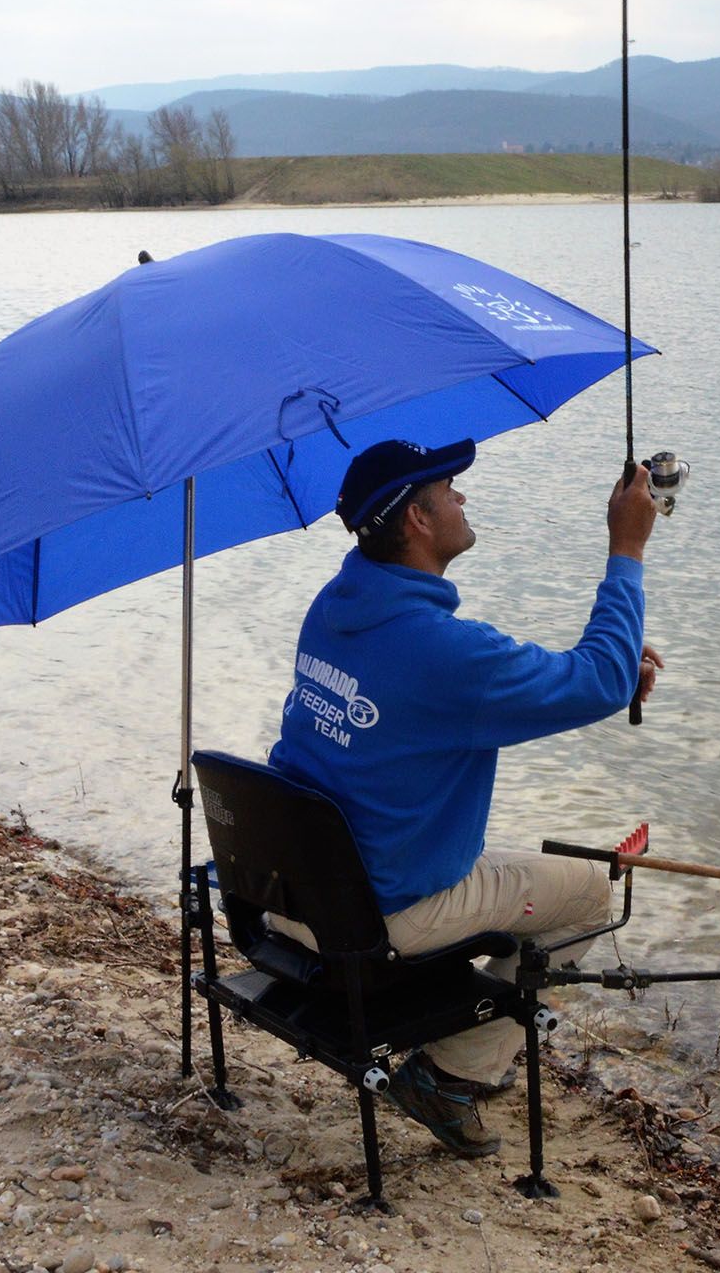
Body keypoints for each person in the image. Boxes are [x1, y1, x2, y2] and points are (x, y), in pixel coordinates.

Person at [269, 436, 662, 1157]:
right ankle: (451, 1074)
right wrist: (627, 545)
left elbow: (539, 682)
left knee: (516, 875)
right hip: (372, 920)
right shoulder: (442, 652)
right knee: (588, 894)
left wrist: (593, 681)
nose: (462, 498)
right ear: (417, 521)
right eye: (450, 489)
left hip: (289, 894)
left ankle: (466, 1041)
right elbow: (593, 679)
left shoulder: (335, 607)